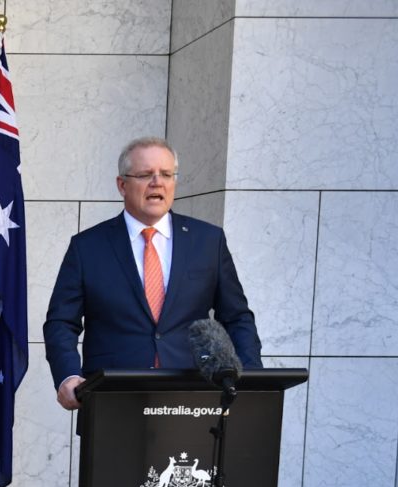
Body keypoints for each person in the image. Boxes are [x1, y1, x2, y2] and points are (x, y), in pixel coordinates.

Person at [43, 137, 262, 410]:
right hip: (112, 400)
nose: (157, 182)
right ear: (122, 185)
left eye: (166, 175)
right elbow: (61, 323)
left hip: (191, 398)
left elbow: (237, 317)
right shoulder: (87, 247)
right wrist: (68, 376)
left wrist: (253, 379)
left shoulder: (208, 241)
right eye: (145, 174)